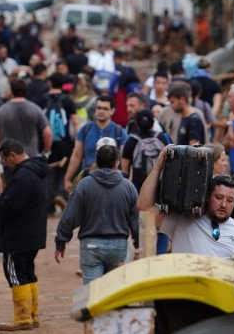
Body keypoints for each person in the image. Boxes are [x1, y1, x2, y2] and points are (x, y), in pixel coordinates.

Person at [138, 149, 234, 257]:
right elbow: (145, 207)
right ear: (207, 197)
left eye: (229, 200)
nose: (223, 204)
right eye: (219, 197)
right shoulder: (181, 221)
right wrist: (158, 166)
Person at [0, 139, 50, 331]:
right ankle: (32, 315)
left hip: (18, 236)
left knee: (15, 274)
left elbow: (10, 206)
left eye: (5, 159)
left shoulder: (22, 176)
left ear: (12, 155)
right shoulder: (39, 171)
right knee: (28, 273)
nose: (5, 164)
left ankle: (22, 317)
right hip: (34, 233)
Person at [55, 143, 140, 283]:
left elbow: (69, 215)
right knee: (113, 294)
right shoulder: (128, 187)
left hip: (91, 246)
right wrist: (138, 246)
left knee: (91, 294)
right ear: (116, 163)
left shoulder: (84, 185)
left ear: (97, 162)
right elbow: (135, 220)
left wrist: (61, 241)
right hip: (118, 246)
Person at [65, 94, 128, 187]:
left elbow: (124, 159)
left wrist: (125, 180)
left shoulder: (120, 132)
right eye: (98, 108)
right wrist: (67, 179)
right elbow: (76, 156)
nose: (101, 111)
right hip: (88, 179)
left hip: (112, 181)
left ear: (112, 111)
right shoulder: (85, 130)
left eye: (105, 109)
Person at [42, 72, 80, 209]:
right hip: (64, 143)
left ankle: (48, 205)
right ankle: (61, 194)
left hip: (47, 143)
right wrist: (78, 140)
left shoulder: (42, 99)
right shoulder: (67, 100)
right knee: (66, 170)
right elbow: (75, 122)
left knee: (48, 171)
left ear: (50, 83)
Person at [0, 78, 52, 157]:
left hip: (8, 157)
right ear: (25, 91)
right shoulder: (35, 109)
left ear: (11, 91)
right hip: (30, 156)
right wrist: (46, 152)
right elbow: (48, 133)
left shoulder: (1, 111)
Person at [122, 109, 172, 190]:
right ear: (153, 123)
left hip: (138, 188)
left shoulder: (131, 141)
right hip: (160, 187)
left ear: (136, 124)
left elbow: (125, 172)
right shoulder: (161, 137)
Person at [169, 81, 206, 146]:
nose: (171, 106)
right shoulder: (184, 118)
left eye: (173, 102)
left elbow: (193, 151)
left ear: (182, 100)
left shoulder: (194, 121)